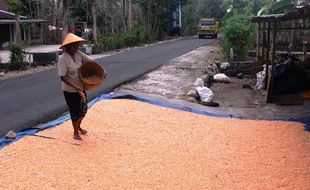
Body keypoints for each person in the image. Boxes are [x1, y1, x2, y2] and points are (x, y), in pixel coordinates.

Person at [57, 33, 93, 140]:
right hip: (70, 90)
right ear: (68, 46)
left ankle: (79, 126)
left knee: (84, 110)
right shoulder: (62, 58)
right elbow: (62, 77)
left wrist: (101, 70)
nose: (77, 47)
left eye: (77, 45)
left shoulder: (79, 54)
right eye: (75, 45)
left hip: (81, 88)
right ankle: (75, 132)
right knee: (74, 111)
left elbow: (91, 61)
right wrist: (76, 88)